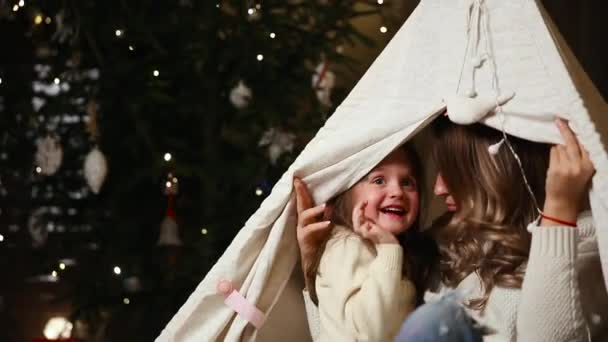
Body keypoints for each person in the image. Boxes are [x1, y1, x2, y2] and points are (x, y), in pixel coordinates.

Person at [296, 117, 607, 341]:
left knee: (437, 319)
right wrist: (316, 270)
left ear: (491, 172)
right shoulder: (443, 246)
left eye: (451, 173)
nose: (438, 188)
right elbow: (349, 334)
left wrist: (559, 214)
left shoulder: (582, 239)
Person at [296, 143, 437, 341]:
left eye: (407, 182)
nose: (397, 191)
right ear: (346, 193)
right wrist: (389, 248)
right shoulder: (346, 246)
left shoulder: (392, 251)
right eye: (379, 180)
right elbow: (372, 332)